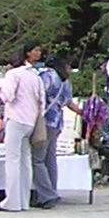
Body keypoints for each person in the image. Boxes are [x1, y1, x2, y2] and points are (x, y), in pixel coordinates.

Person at [0, 43, 48, 213]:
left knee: (12, 160)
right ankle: (23, 200)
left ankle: (12, 201)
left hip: (15, 119)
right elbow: (42, 102)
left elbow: (7, 96)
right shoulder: (36, 77)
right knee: (25, 161)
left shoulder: (13, 75)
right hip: (30, 121)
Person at [33, 55, 71, 208]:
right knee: (50, 158)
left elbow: (38, 95)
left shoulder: (47, 75)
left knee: (37, 160)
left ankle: (46, 195)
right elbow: (67, 100)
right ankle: (52, 190)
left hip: (45, 120)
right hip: (57, 120)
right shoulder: (65, 80)